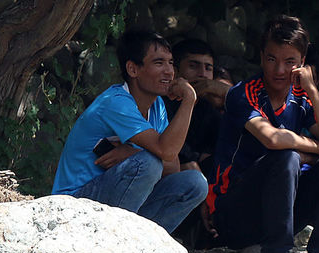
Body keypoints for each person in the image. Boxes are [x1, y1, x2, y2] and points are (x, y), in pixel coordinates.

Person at [206, 15, 319, 253]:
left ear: (302, 62)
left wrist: (312, 89)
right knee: (287, 157)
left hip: (279, 212)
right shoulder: (243, 94)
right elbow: (274, 139)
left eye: (289, 61)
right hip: (234, 216)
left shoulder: (302, 95)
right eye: (271, 59)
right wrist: (318, 149)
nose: (279, 69)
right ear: (261, 57)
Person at [52, 30, 208, 232]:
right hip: (73, 204)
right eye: (159, 63)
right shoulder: (116, 102)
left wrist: (133, 153)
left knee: (195, 183)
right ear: (133, 69)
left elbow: (173, 166)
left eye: (171, 63)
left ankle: (142, 244)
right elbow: (166, 154)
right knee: (148, 163)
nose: (170, 72)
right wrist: (189, 99)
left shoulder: (157, 105)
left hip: (116, 200)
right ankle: (115, 241)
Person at [168, 39, 231, 171]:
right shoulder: (160, 105)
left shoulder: (207, 108)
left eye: (208, 68)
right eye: (193, 66)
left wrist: (228, 93)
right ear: (175, 71)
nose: (202, 74)